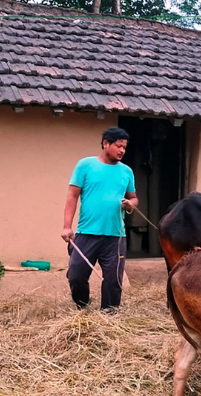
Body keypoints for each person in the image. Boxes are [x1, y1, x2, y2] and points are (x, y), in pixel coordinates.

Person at [61, 127, 138, 312]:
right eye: (119, 146)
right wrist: (66, 226)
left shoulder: (126, 171)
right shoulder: (85, 166)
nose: (122, 151)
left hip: (116, 236)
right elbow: (72, 196)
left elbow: (134, 198)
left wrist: (130, 204)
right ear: (105, 144)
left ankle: (109, 316)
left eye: (124, 148)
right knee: (76, 275)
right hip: (87, 233)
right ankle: (83, 306)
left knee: (113, 280)